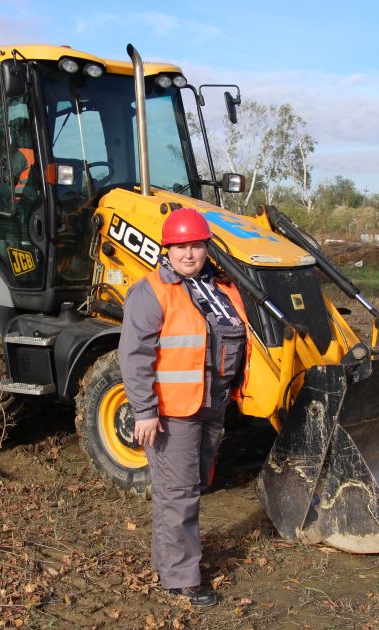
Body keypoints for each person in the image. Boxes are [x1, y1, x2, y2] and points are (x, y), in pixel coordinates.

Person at [119, 207, 250, 608]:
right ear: (167, 249)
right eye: (180, 247)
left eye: (195, 245)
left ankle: (171, 562)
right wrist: (144, 411)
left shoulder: (221, 289)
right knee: (178, 493)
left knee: (192, 487)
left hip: (212, 403)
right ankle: (181, 579)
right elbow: (134, 355)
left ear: (207, 248)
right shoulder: (152, 291)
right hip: (173, 411)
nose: (188, 254)